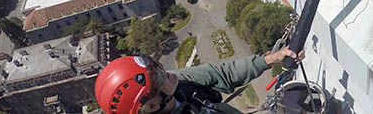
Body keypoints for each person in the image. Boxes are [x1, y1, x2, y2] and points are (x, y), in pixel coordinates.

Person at [94, 46, 303, 114]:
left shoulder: (180, 83)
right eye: (158, 78)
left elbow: (223, 74)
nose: (167, 73)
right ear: (151, 106)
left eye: (157, 68)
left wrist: (270, 59)